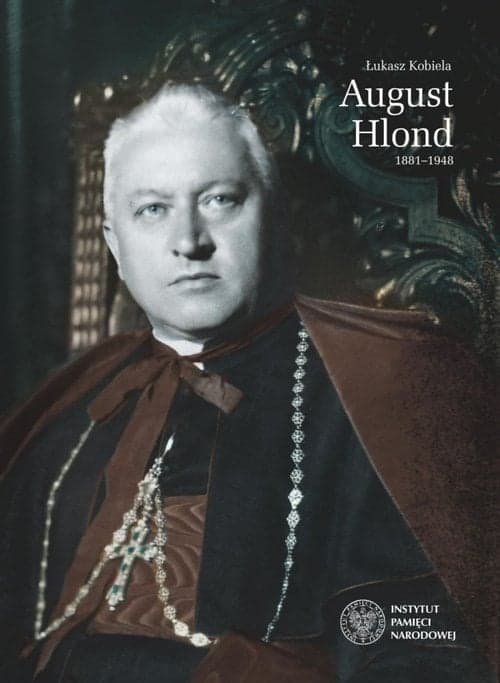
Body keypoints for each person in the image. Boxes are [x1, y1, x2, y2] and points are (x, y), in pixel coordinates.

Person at [0, 84, 496, 683]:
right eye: (152, 209)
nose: (189, 242)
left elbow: (424, 655)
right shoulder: (75, 401)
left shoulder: (387, 386)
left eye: (219, 200)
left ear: (274, 215)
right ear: (114, 245)